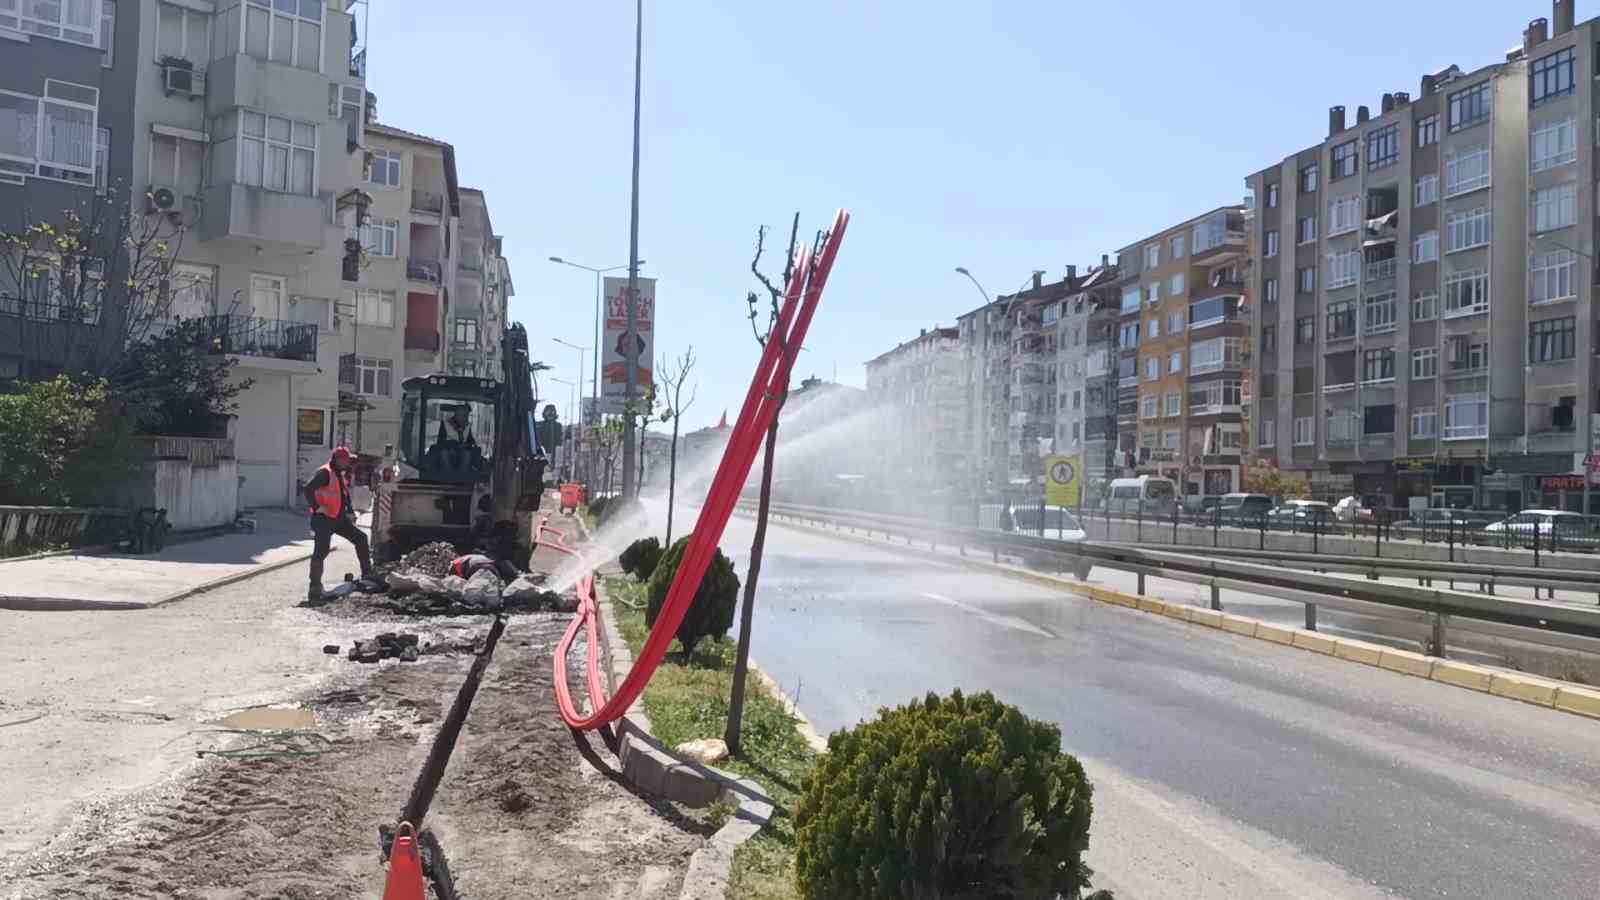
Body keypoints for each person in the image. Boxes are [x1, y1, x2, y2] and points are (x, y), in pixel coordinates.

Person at [303, 446, 372, 602]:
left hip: (338, 519)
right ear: (339, 459)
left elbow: (343, 495)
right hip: (323, 519)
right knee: (321, 552)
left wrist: (350, 512)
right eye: (346, 460)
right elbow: (308, 489)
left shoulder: (338, 474)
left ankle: (367, 574)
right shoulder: (325, 473)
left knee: (361, 538)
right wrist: (316, 507)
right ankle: (314, 588)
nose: (348, 463)